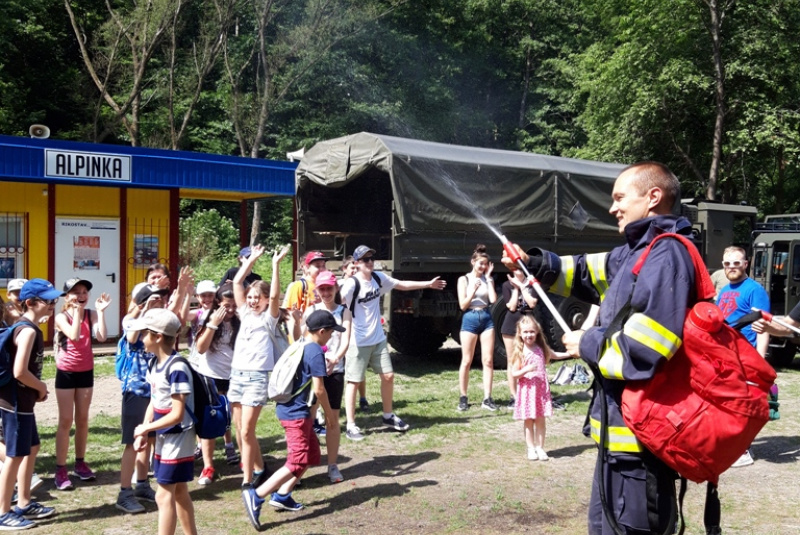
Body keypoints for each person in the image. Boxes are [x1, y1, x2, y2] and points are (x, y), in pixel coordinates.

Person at [503, 162, 692, 535]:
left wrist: (585, 341)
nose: (612, 208)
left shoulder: (666, 256)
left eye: (620, 197)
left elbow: (648, 348)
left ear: (653, 197)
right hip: (619, 443)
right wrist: (531, 263)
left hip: (640, 449)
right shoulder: (636, 252)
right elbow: (583, 272)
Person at [241, 309, 341, 531]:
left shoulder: (301, 343)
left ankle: (283, 495)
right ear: (322, 331)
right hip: (295, 414)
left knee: (311, 455)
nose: (332, 336)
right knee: (296, 460)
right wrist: (330, 418)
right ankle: (256, 495)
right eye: (331, 332)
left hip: (292, 411)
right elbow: (319, 388)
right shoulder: (315, 351)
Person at [339, 245, 447, 441]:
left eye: (371, 258)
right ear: (356, 264)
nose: (370, 262)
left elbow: (402, 284)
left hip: (378, 339)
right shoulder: (351, 285)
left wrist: (428, 284)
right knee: (353, 382)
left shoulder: (378, 278)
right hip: (358, 340)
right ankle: (351, 425)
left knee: (388, 376)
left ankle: (388, 416)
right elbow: (336, 302)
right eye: (365, 260)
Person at [230, 244, 294, 489]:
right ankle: (260, 469)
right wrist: (252, 261)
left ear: (267, 301)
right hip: (236, 374)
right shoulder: (244, 314)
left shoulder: (269, 318)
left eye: (258, 297)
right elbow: (237, 282)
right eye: (251, 297)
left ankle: (247, 481)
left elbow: (277, 295)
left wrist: (276, 265)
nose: (253, 300)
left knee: (246, 430)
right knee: (240, 429)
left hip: (257, 377)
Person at [0, 279, 61, 530]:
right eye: (47, 300)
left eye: (53, 300)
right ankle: (3, 512)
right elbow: (19, 371)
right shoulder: (27, 331)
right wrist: (41, 387)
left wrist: (35, 389)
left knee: (32, 447)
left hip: (23, 401)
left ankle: (24, 502)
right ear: (30, 303)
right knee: (14, 456)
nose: (51, 305)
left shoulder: (30, 328)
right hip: (14, 402)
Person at [131, 309, 198, 535]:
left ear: (158, 337)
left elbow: (177, 413)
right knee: (179, 491)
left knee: (163, 494)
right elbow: (154, 401)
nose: (141, 338)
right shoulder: (154, 364)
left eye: (144, 334)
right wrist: (143, 430)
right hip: (163, 435)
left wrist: (146, 428)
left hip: (178, 437)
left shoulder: (177, 367)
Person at [52, 278, 111, 490]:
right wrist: (76, 313)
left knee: (83, 419)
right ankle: (60, 469)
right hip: (66, 372)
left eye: (85, 291)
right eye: (76, 291)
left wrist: (102, 312)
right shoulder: (61, 316)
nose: (81, 295)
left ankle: (80, 462)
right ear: (67, 296)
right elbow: (74, 336)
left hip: (86, 371)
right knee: (66, 421)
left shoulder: (91, 314)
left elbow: (102, 337)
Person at [716, 246, 770, 468]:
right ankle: (731, 447)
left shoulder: (754, 290)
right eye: (727, 264)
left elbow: (763, 327)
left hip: (746, 357)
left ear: (745, 264)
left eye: (736, 263)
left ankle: (744, 451)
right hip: (726, 357)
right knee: (727, 403)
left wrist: (760, 362)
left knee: (744, 404)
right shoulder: (724, 290)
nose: (732, 267)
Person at [115, 283, 166, 514]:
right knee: (132, 443)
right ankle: (124, 492)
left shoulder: (158, 322)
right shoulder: (131, 320)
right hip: (135, 390)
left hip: (154, 390)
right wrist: (145, 310)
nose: (159, 302)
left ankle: (142, 484)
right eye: (154, 299)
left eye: (161, 299)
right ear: (144, 301)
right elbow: (133, 335)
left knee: (150, 439)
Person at [304, 271, 352, 483]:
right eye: (322, 289)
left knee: (333, 419)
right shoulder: (311, 310)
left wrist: (335, 359)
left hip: (335, 372)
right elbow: (303, 340)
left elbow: (345, 340)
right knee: (307, 419)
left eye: (329, 288)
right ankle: (301, 465)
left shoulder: (344, 312)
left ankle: (332, 465)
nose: (325, 292)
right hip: (313, 372)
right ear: (317, 290)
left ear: (336, 289)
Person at [191, 282, 240, 486]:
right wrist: (213, 324)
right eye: (226, 306)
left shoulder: (239, 321)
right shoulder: (209, 319)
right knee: (210, 421)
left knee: (236, 419)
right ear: (219, 303)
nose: (229, 310)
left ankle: (238, 454)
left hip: (234, 376)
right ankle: (208, 466)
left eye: (234, 306)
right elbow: (200, 348)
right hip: (210, 375)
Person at [457, 244, 498, 411]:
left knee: (488, 360)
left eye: (485, 264)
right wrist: (472, 291)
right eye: (480, 263)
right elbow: (463, 305)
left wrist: (488, 279)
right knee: (466, 360)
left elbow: (494, 299)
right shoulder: (464, 279)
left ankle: (487, 398)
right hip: (470, 318)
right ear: (473, 262)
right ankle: (463, 397)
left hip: (487, 318)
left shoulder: (487, 279)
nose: (483, 267)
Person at [510, 315, 553, 461]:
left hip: (540, 390)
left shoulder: (541, 348)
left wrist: (571, 353)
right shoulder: (520, 352)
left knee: (540, 419)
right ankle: (530, 448)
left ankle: (540, 447)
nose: (529, 335)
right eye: (526, 332)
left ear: (537, 332)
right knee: (528, 420)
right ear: (520, 334)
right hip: (527, 391)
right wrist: (526, 369)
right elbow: (514, 374)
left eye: (532, 332)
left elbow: (553, 355)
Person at [500, 268, 538, 408]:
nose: (518, 270)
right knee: (512, 360)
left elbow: (532, 303)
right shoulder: (506, 285)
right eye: (515, 268)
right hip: (511, 325)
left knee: (529, 357)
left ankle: (529, 393)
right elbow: (511, 306)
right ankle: (514, 396)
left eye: (520, 268)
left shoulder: (533, 284)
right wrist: (515, 289)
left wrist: (522, 286)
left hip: (528, 324)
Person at [341, 256, 369, 412]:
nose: (354, 271)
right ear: (344, 269)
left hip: (356, 330)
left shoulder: (361, 284)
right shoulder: (338, 286)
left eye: (357, 268)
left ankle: (362, 398)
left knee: (359, 368)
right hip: (340, 330)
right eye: (352, 268)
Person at [283, 250, 329, 316]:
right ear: (307, 268)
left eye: (323, 266)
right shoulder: (299, 286)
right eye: (317, 266)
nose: (321, 269)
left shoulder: (326, 285)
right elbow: (290, 313)